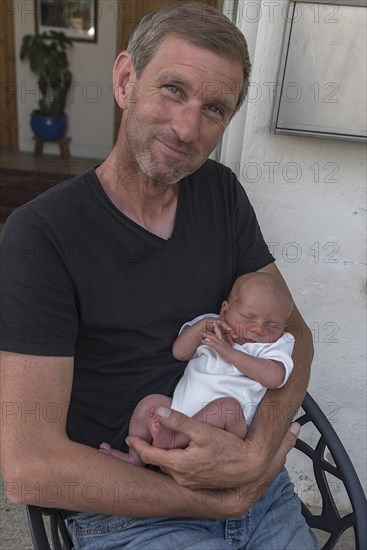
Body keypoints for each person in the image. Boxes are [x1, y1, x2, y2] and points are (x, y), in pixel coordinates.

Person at [0, 3, 319, 549]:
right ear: (126, 80)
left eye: (214, 108)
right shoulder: (41, 236)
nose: (187, 127)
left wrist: (252, 454)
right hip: (132, 509)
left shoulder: (221, 193)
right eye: (173, 89)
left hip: (258, 493)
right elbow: (29, 467)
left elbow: (296, 337)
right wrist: (211, 498)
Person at [100, 272, 295, 465]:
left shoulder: (274, 346)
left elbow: (274, 378)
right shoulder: (210, 326)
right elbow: (179, 352)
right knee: (149, 404)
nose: (257, 329)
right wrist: (202, 327)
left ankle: (173, 439)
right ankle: (135, 455)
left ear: (283, 328)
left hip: (227, 428)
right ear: (225, 311)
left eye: (272, 325)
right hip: (180, 410)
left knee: (227, 408)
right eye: (248, 317)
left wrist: (229, 352)